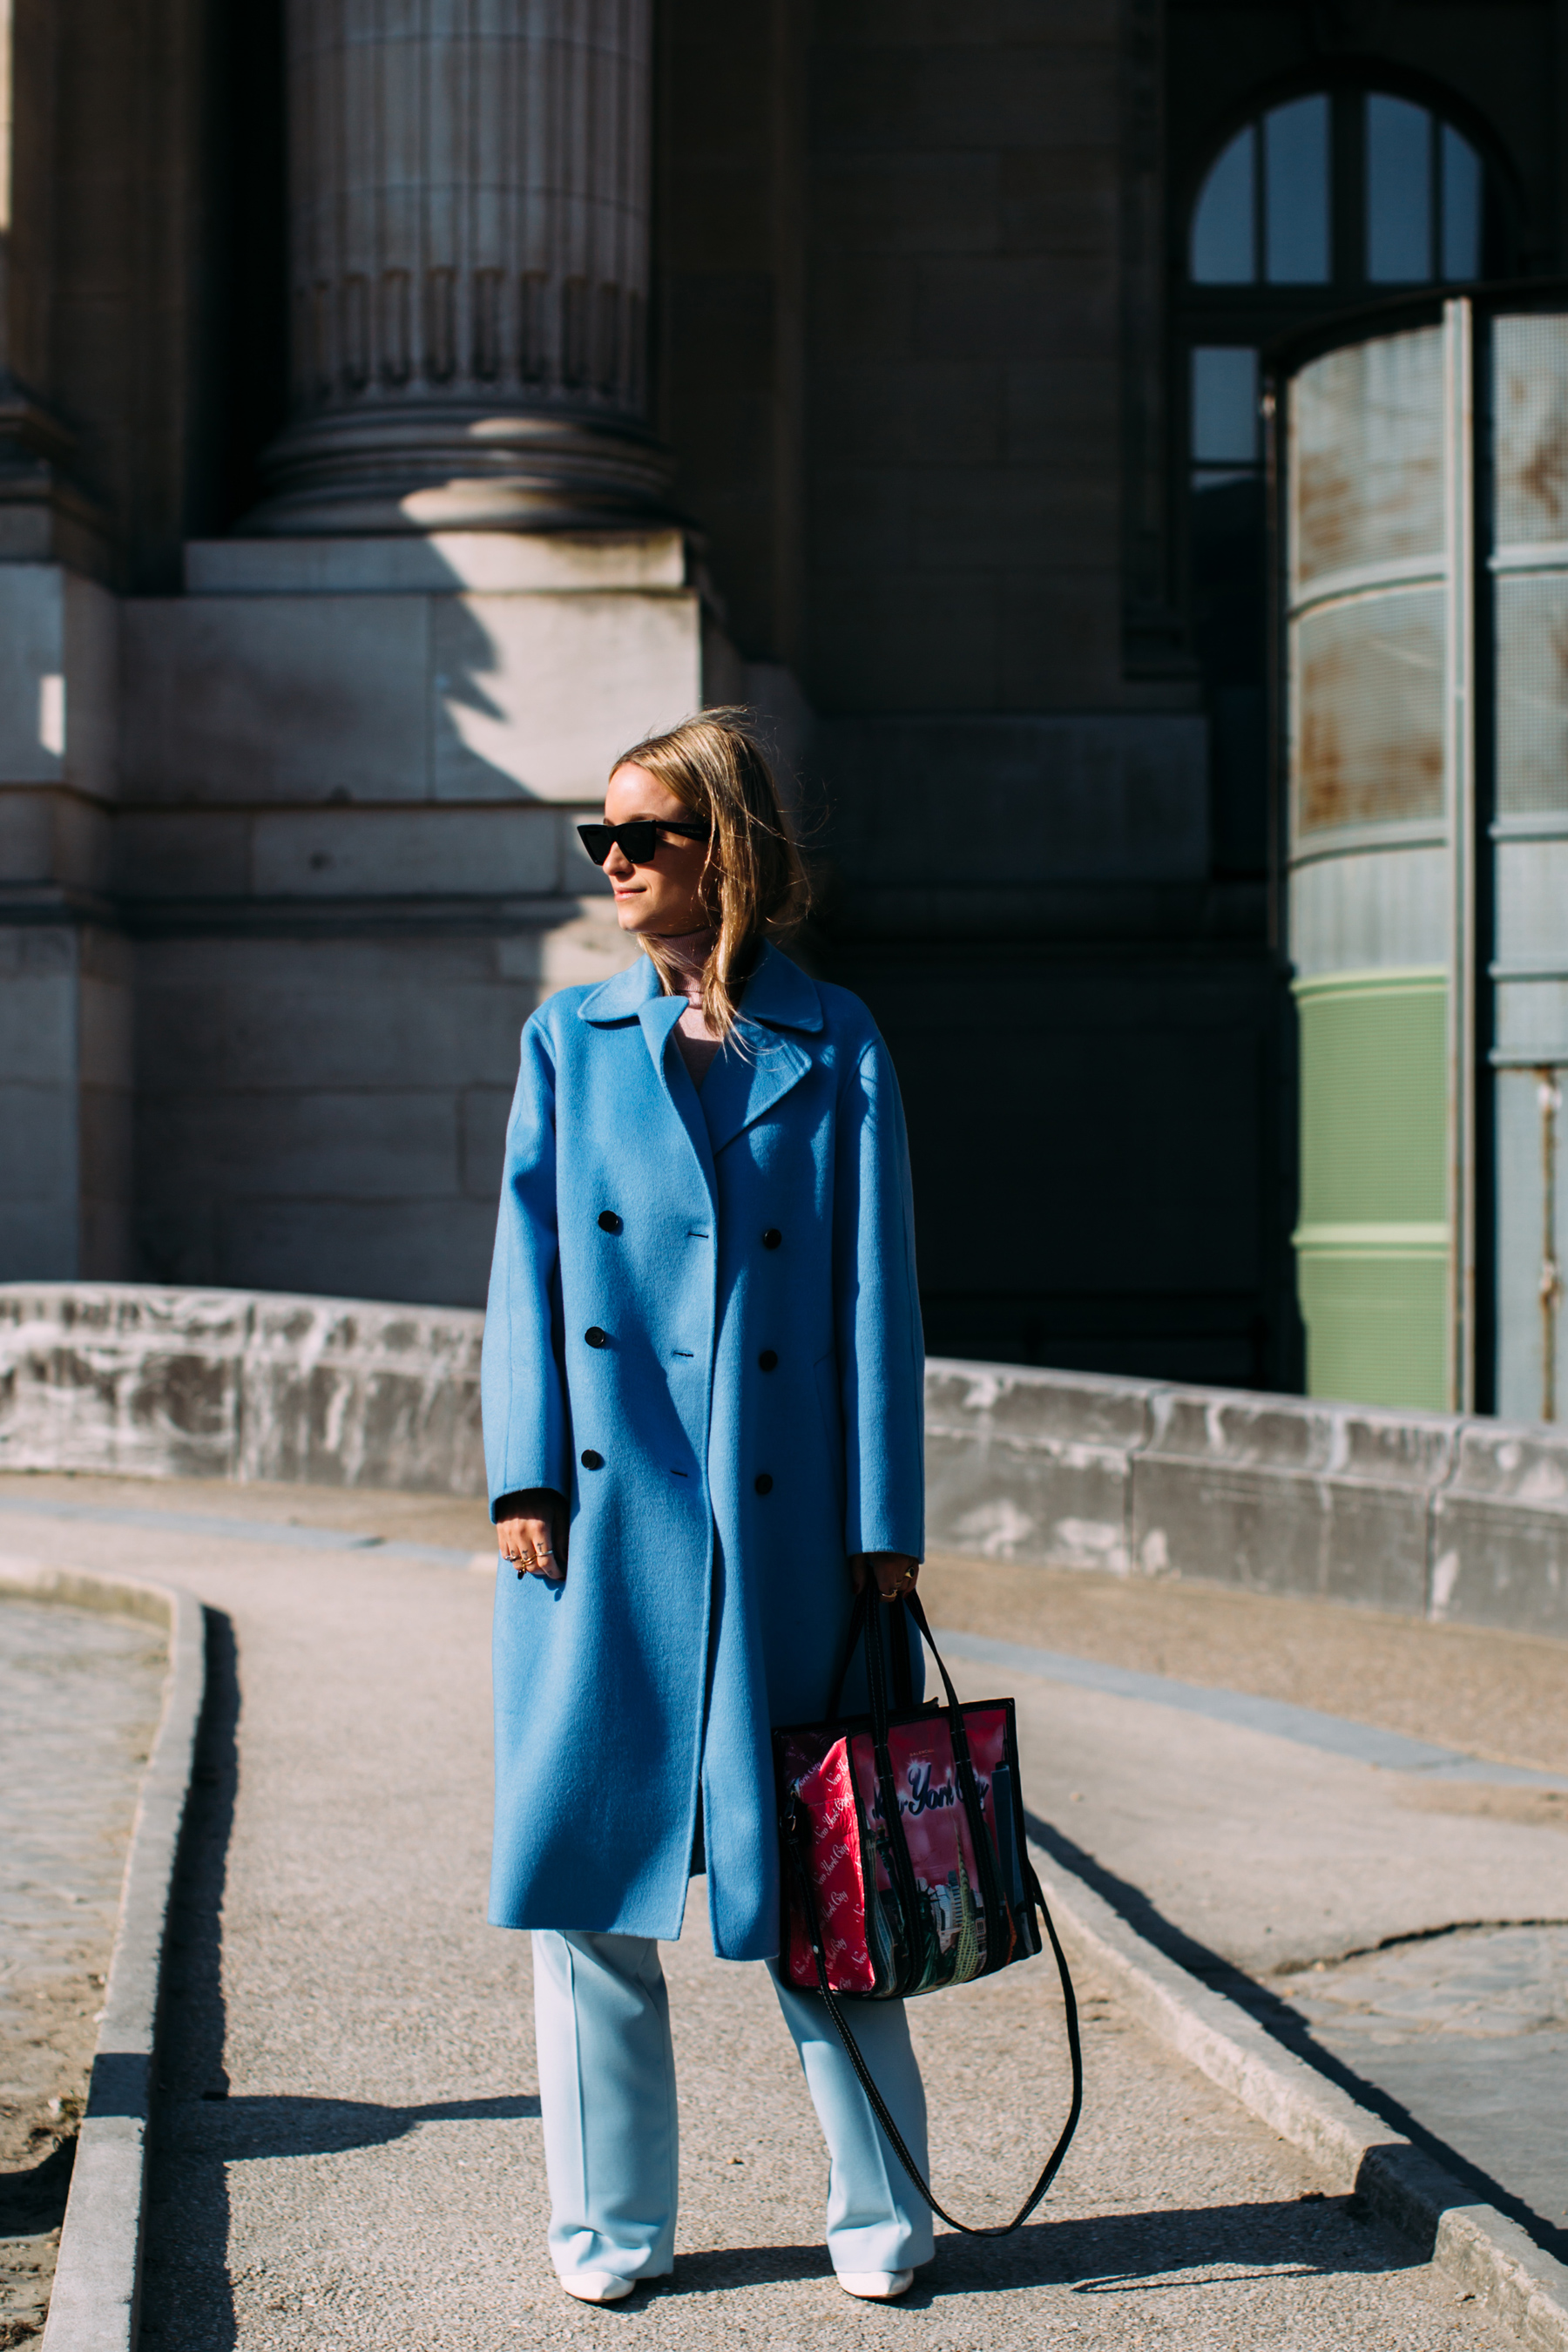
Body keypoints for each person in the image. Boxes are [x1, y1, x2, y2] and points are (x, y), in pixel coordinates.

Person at [481, 708, 931, 2307]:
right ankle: (608, 2236)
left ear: (722, 850)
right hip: (601, 1526)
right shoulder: (567, 1041)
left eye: (641, 836)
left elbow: (879, 1294)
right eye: (598, 839)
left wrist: (888, 1524)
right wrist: (522, 1471)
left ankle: (886, 2222)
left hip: (790, 1528)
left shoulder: (837, 1040)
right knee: (587, 1893)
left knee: (826, 1881)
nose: (612, 863)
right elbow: (524, 1275)